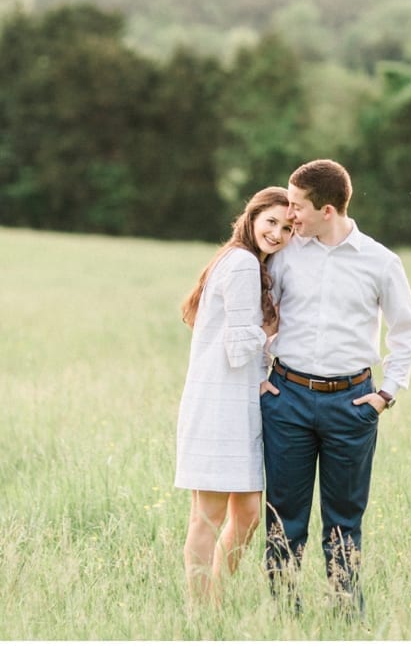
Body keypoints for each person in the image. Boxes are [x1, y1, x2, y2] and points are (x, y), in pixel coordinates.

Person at [261, 159, 411, 616]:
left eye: (296, 206)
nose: (289, 215)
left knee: (344, 522)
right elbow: (259, 316)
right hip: (286, 398)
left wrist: (385, 394)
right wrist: (258, 375)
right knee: (282, 518)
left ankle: (346, 617)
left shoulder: (381, 262)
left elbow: (406, 332)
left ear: (326, 210)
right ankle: (282, 616)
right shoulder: (286, 255)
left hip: (352, 404)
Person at [175, 186, 293, 603]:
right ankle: (201, 611)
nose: (277, 233)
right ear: (252, 217)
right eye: (271, 222)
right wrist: (279, 332)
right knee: (206, 517)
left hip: (234, 403)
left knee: (245, 514)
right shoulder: (242, 263)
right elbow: (240, 346)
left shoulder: (243, 260)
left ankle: (216, 597)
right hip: (219, 405)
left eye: (287, 227)